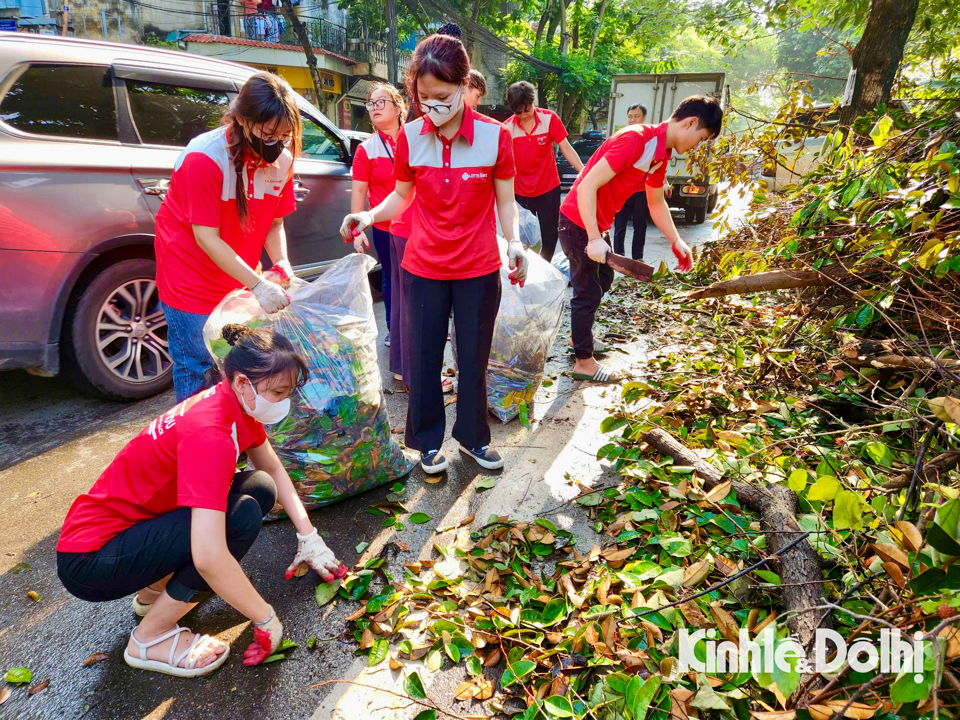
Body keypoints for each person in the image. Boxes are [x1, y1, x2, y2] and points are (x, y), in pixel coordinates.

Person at [56, 325, 345, 677]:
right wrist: (265, 618)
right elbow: (208, 557)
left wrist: (308, 537)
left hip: (124, 531)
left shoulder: (233, 403)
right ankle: (149, 638)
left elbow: (270, 466)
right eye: (279, 392)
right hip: (91, 560)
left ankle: (152, 598)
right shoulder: (211, 434)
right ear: (242, 382)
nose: (284, 402)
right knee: (238, 518)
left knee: (259, 487)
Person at [339, 25, 529, 474]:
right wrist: (369, 215)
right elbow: (402, 195)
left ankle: (473, 439)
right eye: (426, 98)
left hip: (478, 267)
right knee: (423, 359)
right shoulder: (410, 136)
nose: (435, 107)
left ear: (465, 86)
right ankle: (426, 442)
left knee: (474, 356)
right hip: (423, 265)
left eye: (444, 96)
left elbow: (506, 200)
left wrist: (515, 242)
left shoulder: (494, 137)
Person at [155, 72, 301, 403]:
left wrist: (280, 262)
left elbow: (274, 224)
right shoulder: (205, 157)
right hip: (190, 281)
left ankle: (233, 444)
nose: (277, 142)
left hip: (237, 281)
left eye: (285, 135)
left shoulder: (283, 160)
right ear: (241, 118)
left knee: (236, 368)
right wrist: (259, 285)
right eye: (268, 133)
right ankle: (196, 447)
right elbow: (206, 237)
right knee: (200, 366)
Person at [559, 95, 723, 383]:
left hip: (596, 223)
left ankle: (578, 336)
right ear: (691, 123)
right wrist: (594, 238)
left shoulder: (660, 153)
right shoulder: (637, 139)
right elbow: (586, 186)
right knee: (586, 292)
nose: (696, 146)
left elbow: (656, 203)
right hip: (577, 222)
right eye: (701, 138)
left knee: (604, 281)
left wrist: (676, 241)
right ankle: (583, 362)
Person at [504, 80, 584, 262]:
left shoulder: (549, 119)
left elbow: (566, 147)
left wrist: (583, 172)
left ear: (534, 102)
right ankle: (525, 270)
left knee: (549, 236)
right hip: (520, 191)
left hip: (548, 188)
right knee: (524, 238)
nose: (523, 116)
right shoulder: (507, 128)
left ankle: (544, 267)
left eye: (527, 110)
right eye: (518, 112)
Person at [612, 103, 652, 260]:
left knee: (640, 226)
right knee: (619, 225)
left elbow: (657, 162)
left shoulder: (650, 139)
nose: (632, 120)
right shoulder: (621, 136)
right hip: (622, 190)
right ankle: (619, 256)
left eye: (636, 116)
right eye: (630, 117)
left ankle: (637, 258)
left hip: (641, 191)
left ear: (644, 118)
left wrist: (665, 182)